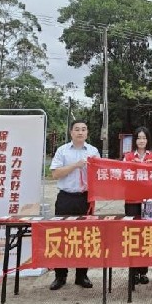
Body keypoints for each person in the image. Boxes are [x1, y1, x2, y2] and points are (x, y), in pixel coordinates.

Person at [48, 119, 99, 291]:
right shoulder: (62, 151)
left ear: (87, 133)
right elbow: (55, 174)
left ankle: (81, 275)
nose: (80, 132)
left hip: (85, 199)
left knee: (85, 238)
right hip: (65, 198)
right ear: (71, 132)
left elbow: (100, 173)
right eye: (77, 129)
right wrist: (76, 166)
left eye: (83, 129)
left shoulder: (93, 151)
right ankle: (60, 276)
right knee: (61, 237)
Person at [122, 126, 152, 285]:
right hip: (132, 200)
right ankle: (133, 272)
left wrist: (149, 167)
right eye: (139, 138)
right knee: (132, 234)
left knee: (147, 235)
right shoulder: (128, 157)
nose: (141, 141)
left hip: (149, 201)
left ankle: (143, 271)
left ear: (148, 140)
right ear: (134, 141)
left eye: (144, 138)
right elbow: (122, 176)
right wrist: (134, 166)